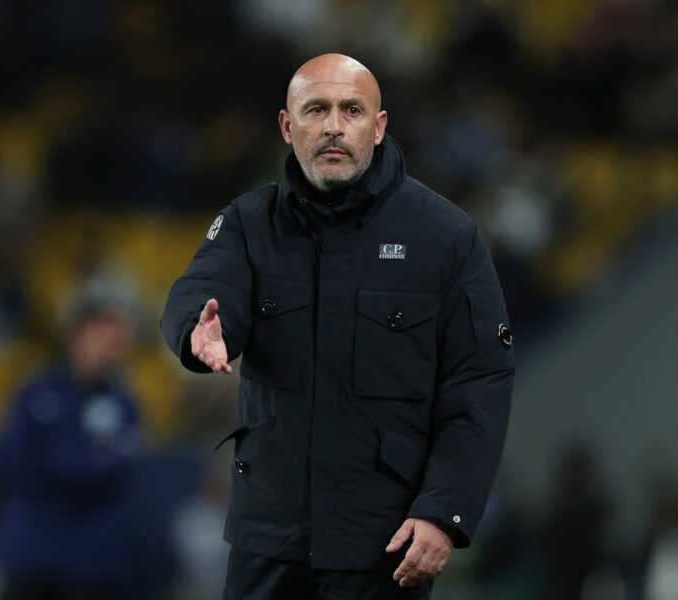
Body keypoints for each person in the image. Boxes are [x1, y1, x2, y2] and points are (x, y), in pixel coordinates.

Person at [161, 53, 515, 599]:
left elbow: (478, 384)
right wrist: (197, 328)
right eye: (316, 109)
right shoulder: (246, 224)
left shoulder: (446, 237)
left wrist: (444, 514)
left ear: (378, 128)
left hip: (385, 549)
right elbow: (205, 288)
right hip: (267, 546)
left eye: (352, 110)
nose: (333, 126)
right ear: (286, 125)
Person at [0, 299, 143, 600]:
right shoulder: (37, 391)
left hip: (92, 560)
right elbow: (12, 457)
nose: (111, 347)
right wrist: (89, 459)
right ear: (77, 337)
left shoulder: (123, 403)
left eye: (116, 340)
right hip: (32, 549)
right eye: (101, 336)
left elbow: (120, 466)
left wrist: (52, 457)